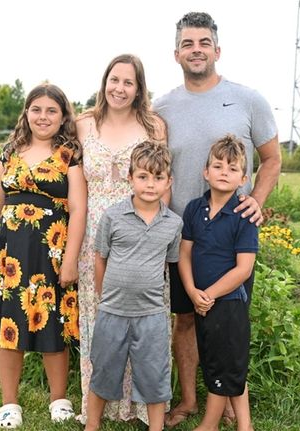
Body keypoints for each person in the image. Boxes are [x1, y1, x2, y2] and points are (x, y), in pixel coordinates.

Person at [153, 11, 282, 428]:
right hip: (181, 237)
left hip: (229, 239)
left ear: (217, 50)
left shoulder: (248, 100)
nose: (196, 50)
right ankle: (189, 400)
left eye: (204, 42)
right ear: (176, 54)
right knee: (186, 318)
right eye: (188, 44)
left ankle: (225, 398)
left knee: (225, 321)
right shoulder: (162, 107)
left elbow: (272, 158)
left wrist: (257, 200)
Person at [0, 83, 86, 429]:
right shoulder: (10, 152)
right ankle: (9, 403)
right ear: (26, 113)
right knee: (10, 324)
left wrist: (70, 260)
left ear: (63, 116)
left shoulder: (70, 154)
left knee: (53, 323)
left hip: (51, 253)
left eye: (51, 110)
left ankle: (59, 398)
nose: (43, 116)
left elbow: (80, 210)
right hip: (9, 254)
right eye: (36, 109)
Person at [76, 53, 168, 424]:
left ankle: (140, 405)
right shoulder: (84, 123)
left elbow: (162, 180)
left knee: (143, 319)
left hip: (142, 231)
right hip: (94, 233)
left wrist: (160, 232)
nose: (120, 88)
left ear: (139, 88)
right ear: (105, 82)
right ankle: (100, 403)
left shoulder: (154, 125)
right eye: (115, 80)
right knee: (101, 317)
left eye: (128, 82)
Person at [85, 141, 182, 431]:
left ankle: (156, 427)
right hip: (112, 311)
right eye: (143, 176)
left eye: (158, 177)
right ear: (130, 178)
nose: (150, 184)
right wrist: (104, 298)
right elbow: (100, 259)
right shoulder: (113, 216)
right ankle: (92, 425)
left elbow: (168, 262)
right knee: (103, 370)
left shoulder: (173, 223)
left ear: (169, 181)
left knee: (154, 374)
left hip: (151, 314)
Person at [178, 135, 258, 431]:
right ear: (205, 172)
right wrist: (191, 290)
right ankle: (245, 426)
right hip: (200, 299)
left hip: (228, 302)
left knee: (225, 365)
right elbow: (184, 253)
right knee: (219, 360)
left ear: (243, 178)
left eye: (233, 168)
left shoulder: (244, 215)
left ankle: (209, 425)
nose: (224, 172)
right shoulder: (194, 209)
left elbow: (243, 269)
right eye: (218, 165)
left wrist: (208, 295)